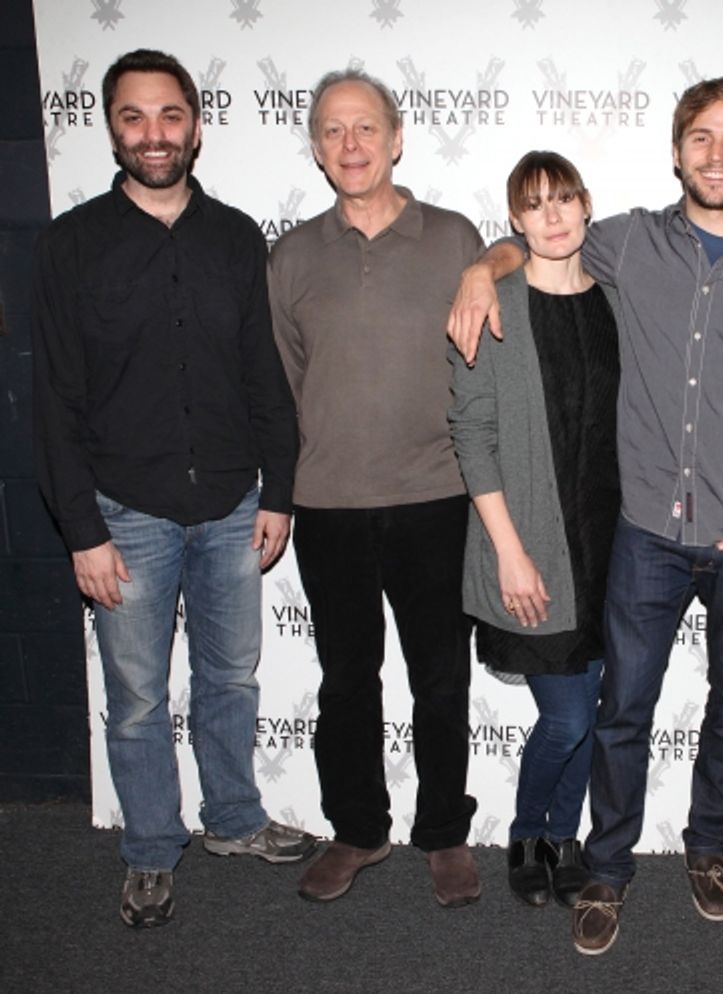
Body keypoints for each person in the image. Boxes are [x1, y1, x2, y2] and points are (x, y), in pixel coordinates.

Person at [449, 77, 723, 955]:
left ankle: (708, 849)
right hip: (647, 532)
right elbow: (536, 247)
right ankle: (607, 870)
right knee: (622, 708)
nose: (718, 153)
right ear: (676, 149)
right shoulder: (629, 241)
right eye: (701, 136)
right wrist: (479, 264)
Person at [31, 49, 315, 929]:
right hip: (126, 512)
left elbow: (264, 374)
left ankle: (232, 819)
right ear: (110, 126)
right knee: (139, 699)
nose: (154, 135)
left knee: (231, 676)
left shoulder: (235, 237)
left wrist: (280, 491)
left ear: (197, 122)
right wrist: (82, 529)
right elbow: (53, 400)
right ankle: (151, 850)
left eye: (169, 116)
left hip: (233, 505)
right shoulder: (70, 244)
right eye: (133, 117)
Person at [268, 69, 483, 907]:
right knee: (346, 679)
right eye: (331, 131)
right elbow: (281, 391)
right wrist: (279, 493)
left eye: (365, 128)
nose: (350, 145)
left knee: (441, 679)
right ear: (317, 149)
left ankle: (444, 833)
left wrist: (492, 257)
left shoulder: (455, 238)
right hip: (327, 507)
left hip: (437, 498)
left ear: (397, 139)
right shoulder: (290, 257)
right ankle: (358, 828)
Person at [449, 151, 619, 909]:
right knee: (569, 715)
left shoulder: (617, 297)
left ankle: (564, 837)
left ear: (586, 207)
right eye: (534, 203)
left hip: (613, 545)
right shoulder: (490, 304)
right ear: (514, 219)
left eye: (564, 199)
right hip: (534, 546)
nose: (552, 215)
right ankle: (526, 830)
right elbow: (471, 435)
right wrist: (509, 555)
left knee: (594, 710)